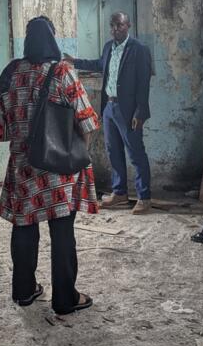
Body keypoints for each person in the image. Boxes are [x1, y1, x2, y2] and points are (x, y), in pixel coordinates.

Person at [0, 16, 101, 315]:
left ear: (27, 40)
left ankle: (24, 291)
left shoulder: (11, 74)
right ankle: (65, 299)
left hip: (24, 171)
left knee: (24, 229)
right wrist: (76, 154)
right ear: (52, 39)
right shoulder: (63, 72)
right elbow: (88, 122)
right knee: (62, 233)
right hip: (60, 171)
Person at [64, 11, 153, 214]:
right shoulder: (108, 48)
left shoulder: (139, 50)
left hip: (129, 110)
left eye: (119, 25)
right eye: (112, 26)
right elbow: (98, 64)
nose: (115, 29)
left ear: (128, 25)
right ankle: (119, 193)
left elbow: (143, 85)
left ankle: (144, 197)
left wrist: (140, 113)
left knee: (136, 152)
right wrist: (74, 61)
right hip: (109, 108)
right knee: (113, 151)